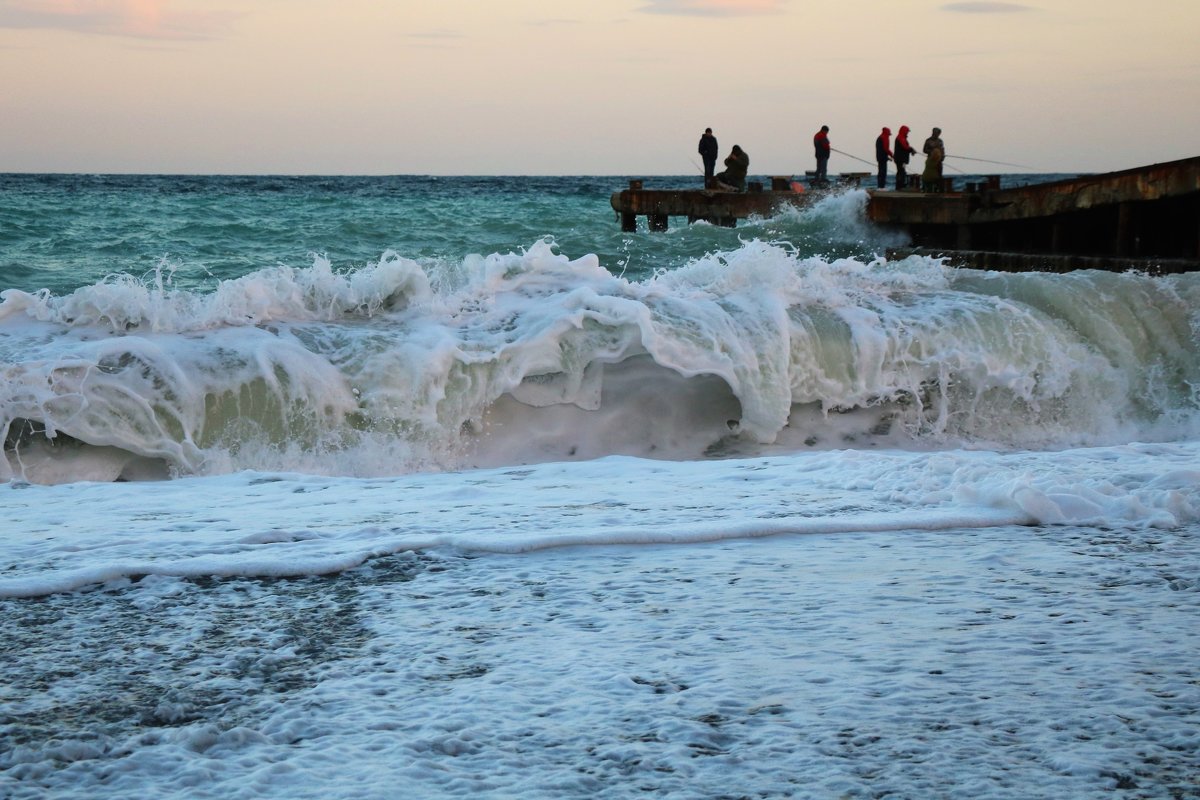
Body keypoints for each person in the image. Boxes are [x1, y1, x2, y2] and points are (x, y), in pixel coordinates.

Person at [893, 125, 917, 190]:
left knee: (901, 171)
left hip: (899, 159)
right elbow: (905, 147)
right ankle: (900, 186)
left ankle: (899, 185)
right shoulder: (901, 137)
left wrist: (911, 150)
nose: (907, 133)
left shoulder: (900, 137)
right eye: (907, 131)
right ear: (904, 131)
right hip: (901, 159)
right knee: (901, 172)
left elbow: (905, 147)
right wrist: (911, 150)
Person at [922, 127, 945, 192]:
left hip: (939, 160)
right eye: (937, 133)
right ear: (933, 132)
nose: (938, 134)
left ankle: (938, 189)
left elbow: (942, 150)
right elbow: (924, 150)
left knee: (939, 174)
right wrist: (932, 152)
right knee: (931, 173)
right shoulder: (928, 140)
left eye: (939, 133)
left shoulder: (940, 141)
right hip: (931, 160)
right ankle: (929, 188)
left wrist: (942, 157)